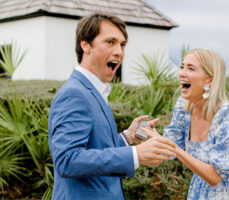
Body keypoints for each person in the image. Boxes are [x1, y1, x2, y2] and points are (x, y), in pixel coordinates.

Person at [48, 13, 176, 200]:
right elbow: (67, 160)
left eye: (122, 45)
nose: (119, 52)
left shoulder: (95, 90)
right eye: (110, 42)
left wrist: (127, 137)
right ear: (86, 45)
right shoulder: (74, 93)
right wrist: (135, 155)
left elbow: (94, 148)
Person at [144, 49, 229, 199]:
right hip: (197, 192)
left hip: (225, 194)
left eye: (191, 68)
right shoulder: (184, 107)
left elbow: (214, 177)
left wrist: (174, 149)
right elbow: (165, 152)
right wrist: (144, 136)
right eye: (182, 67)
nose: (182, 73)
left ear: (210, 80)